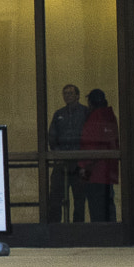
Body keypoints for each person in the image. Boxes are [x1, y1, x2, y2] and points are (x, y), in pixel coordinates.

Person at [47, 82, 88, 223]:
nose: (67, 96)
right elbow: (52, 136)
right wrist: (58, 154)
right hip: (62, 161)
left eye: (70, 93)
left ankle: (78, 229)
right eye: (65, 93)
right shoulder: (59, 114)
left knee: (79, 198)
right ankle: (55, 228)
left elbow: (89, 136)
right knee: (56, 196)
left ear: (77, 95)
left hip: (79, 162)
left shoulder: (85, 112)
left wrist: (84, 160)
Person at [77, 88, 119, 222]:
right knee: (108, 205)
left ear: (91, 102)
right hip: (109, 170)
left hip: (95, 172)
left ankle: (101, 235)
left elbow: (90, 146)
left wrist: (83, 168)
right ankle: (112, 233)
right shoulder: (110, 116)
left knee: (96, 207)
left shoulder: (94, 117)